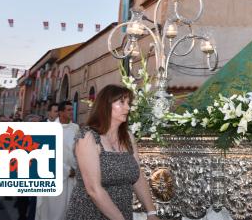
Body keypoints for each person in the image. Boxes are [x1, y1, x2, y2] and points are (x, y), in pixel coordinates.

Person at [66, 84, 159, 220]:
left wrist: (151, 212)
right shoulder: (88, 137)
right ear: (105, 105)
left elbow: (137, 177)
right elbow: (93, 189)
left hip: (122, 211)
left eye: (128, 103)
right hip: (90, 212)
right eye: (122, 102)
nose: (127, 107)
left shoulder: (127, 136)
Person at [35, 101, 79, 220]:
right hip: (55, 176)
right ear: (60, 112)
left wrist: (76, 168)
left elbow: (78, 151)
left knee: (70, 211)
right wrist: (66, 170)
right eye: (68, 110)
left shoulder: (76, 128)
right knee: (53, 213)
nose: (71, 112)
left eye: (72, 109)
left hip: (73, 178)